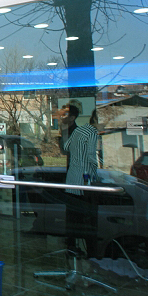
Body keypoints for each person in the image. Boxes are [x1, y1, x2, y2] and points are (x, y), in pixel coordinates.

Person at [57, 104, 101, 255]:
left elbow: (66, 147)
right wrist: (99, 170)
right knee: (87, 219)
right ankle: (91, 252)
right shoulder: (92, 132)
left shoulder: (78, 130)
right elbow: (92, 157)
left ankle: (71, 247)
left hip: (72, 178)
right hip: (85, 180)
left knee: (72, 216)